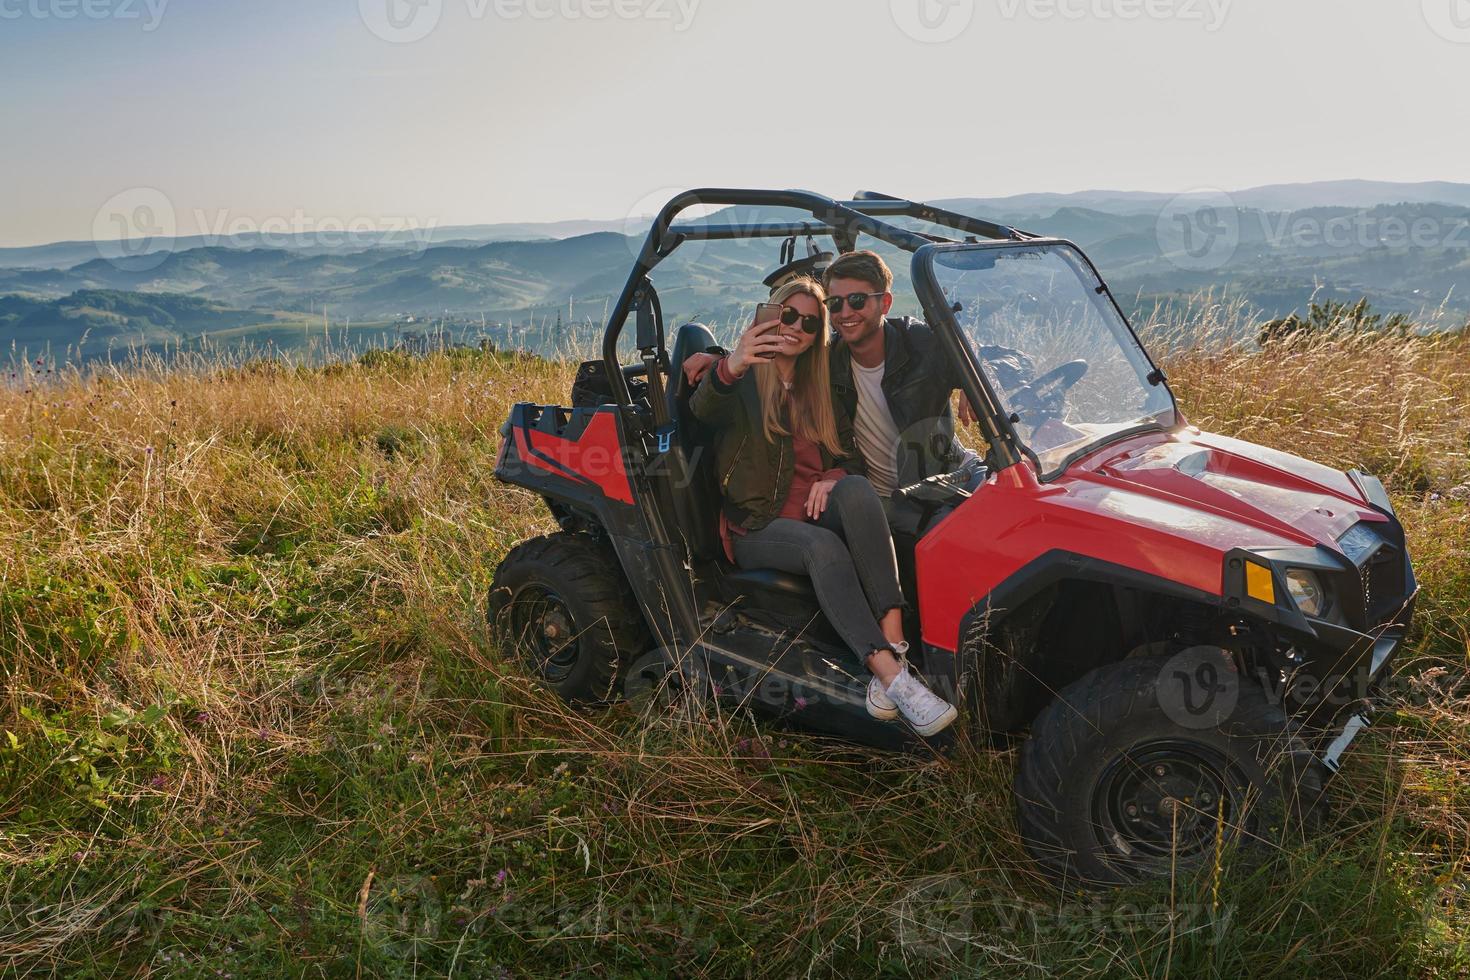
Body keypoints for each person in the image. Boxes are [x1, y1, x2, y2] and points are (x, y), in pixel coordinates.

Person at [689, 276, 957, 736]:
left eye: (811, 323)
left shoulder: (823, 383)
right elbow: (703, 411)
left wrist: (834, 475)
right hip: (759, 524)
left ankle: (893, 641)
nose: (796, 328)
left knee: (857, 489)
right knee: (822, 546)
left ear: (820, 334)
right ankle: (893, 677)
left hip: (813, 507)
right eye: (788, 316)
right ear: (772, 314)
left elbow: (847, 455)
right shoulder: (746, 376)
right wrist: (729, 363)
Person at [686, 250, 981, 538]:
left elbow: (985, 359)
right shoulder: (829, 362)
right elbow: (788, 350)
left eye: (857, 301)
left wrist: (972, 374)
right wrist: (723, 359)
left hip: (954, 476)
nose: (845, 313)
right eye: (835, 304)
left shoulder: (921, 344)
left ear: (885, 303)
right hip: (892, 500)